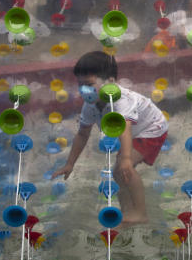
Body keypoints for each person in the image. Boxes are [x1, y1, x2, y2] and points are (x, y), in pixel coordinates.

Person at [52, 51, 168, 226]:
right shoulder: (90, 105)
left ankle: (141, 213)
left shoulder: (122, 101)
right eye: (80, 84)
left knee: (122, 168)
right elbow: (82, 134)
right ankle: (127, 211)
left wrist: (127, 158)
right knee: (120, 171)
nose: (84, 90)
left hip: (152, 128)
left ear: (110, 82)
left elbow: (125, 129)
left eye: (89, 84)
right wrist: (70, 164)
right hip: (135, 131)